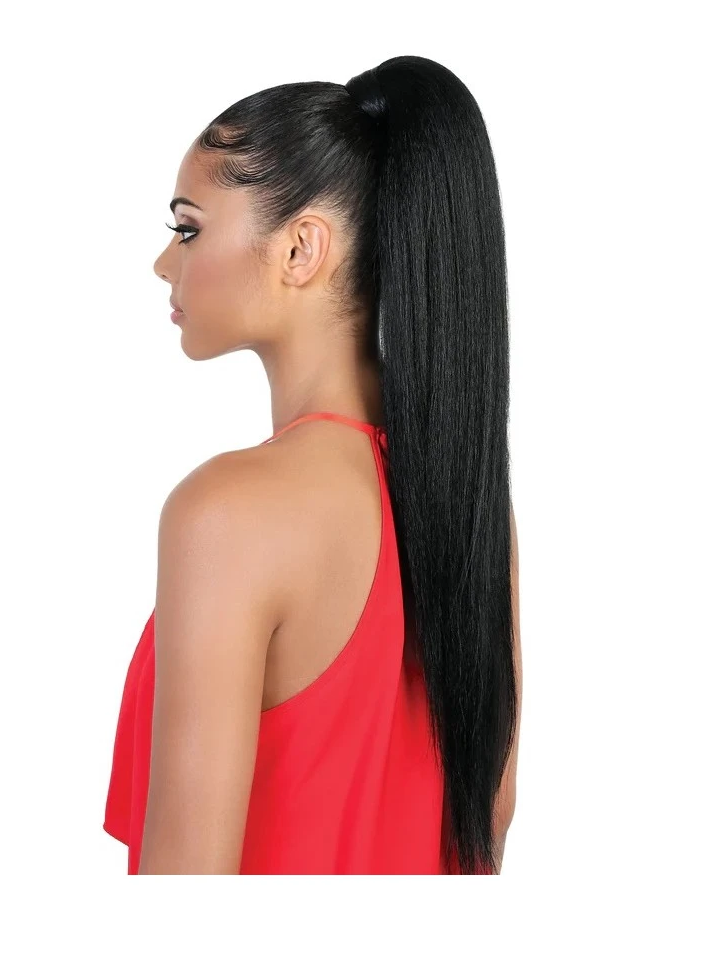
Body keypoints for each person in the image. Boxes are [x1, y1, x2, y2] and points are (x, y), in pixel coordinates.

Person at [103, 55, 521, 874]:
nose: (164, 262)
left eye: (188, 229)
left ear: (301, 248)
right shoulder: (470, 511)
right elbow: (488, 829)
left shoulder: (228, 515)